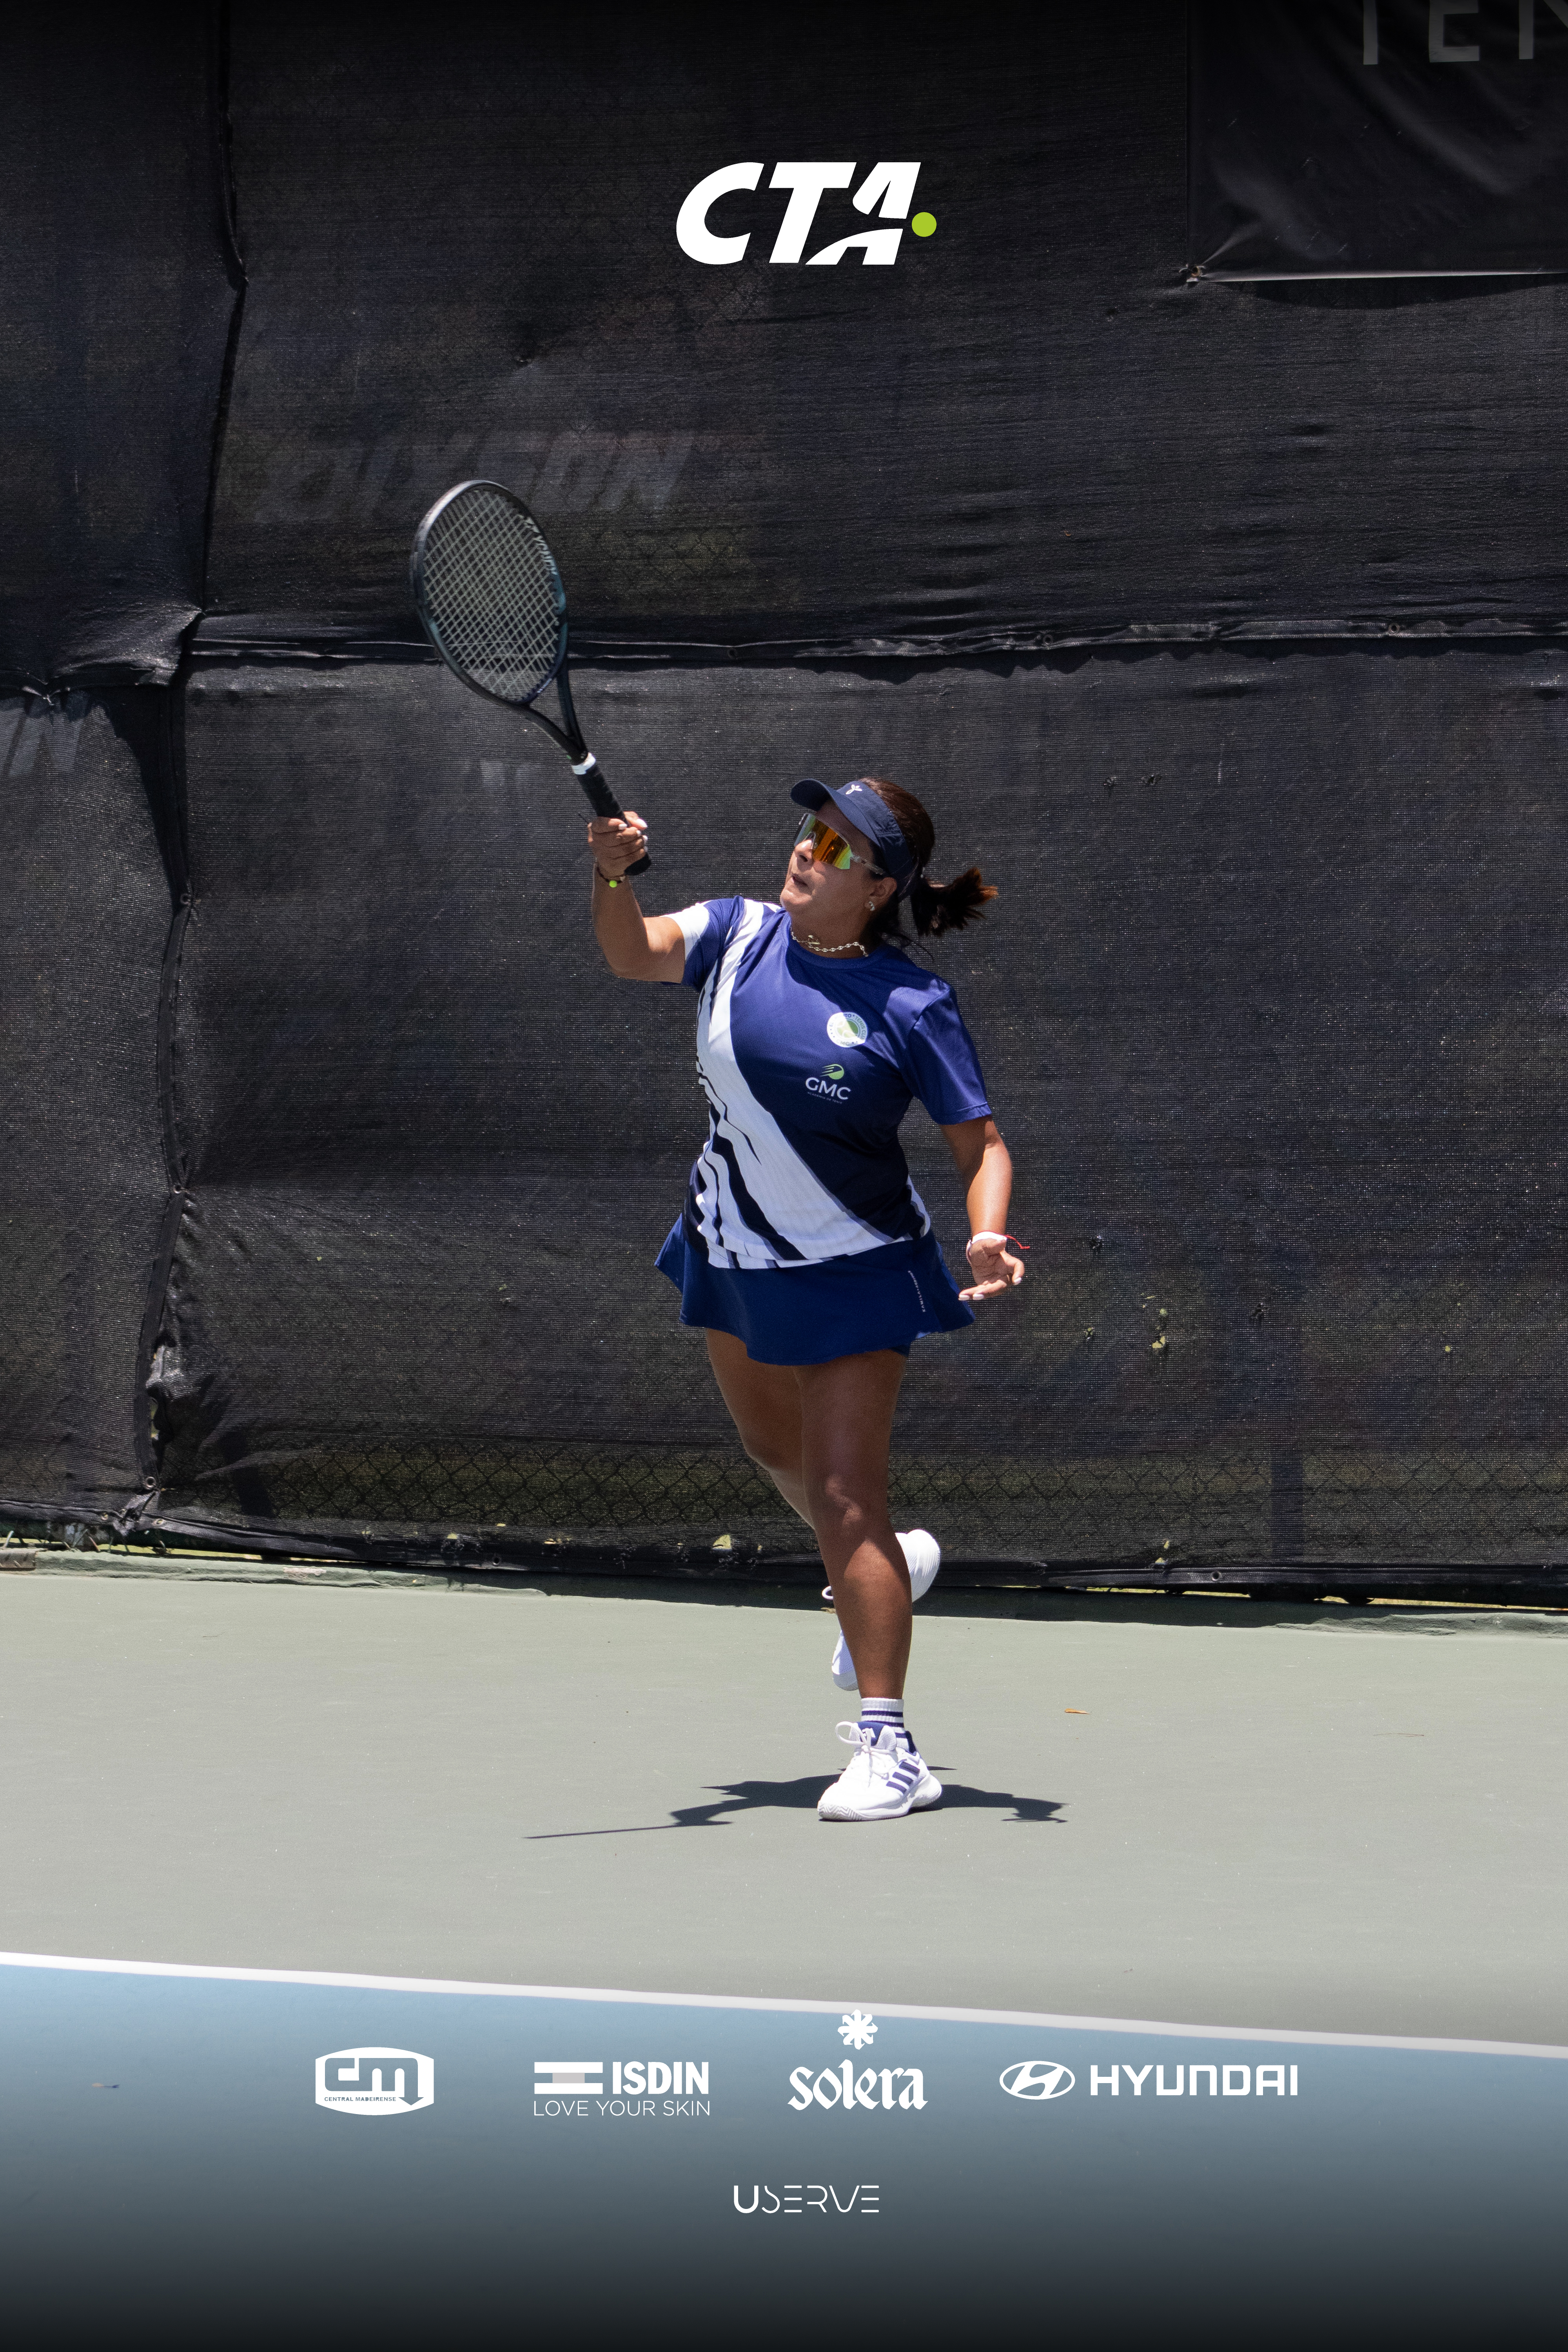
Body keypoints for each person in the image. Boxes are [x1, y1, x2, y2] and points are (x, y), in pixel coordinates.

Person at [587, 775, 1024, 1824]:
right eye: (808, 832)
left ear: (878, 888)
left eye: (837, 848)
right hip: (732, 1243)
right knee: (773, 1453)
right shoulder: (736, 933)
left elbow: (983, 1146)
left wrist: (988, 1228)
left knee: (841, 1494)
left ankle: (890, 1746)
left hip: (860, 1264)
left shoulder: (912, 1004)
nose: (807, 852)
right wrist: (609, 878)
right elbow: (632, 951)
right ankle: (884, 1569)